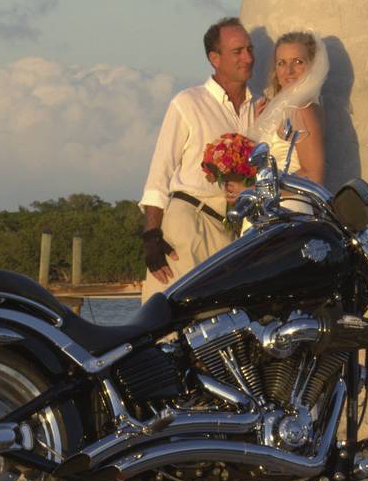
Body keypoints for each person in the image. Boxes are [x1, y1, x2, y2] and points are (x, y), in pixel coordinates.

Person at [139, 17, 256, 302]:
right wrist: (152, 234)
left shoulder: (260, 109)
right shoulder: (188, 102)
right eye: (238, 51)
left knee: (221, 326)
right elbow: (160, 171)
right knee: (173, 320)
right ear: (214, 58)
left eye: (250, 49)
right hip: (189, 223)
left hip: (233, 234)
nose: (248, 58)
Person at [253, 31, 328, 187]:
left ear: (313, 67)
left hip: (289, 207)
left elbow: (313, 176)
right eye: (281, 63)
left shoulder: (301, 109)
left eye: (298, 62)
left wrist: (254, 190)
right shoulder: (280, 109)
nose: (289, 71)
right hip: (271, 205)